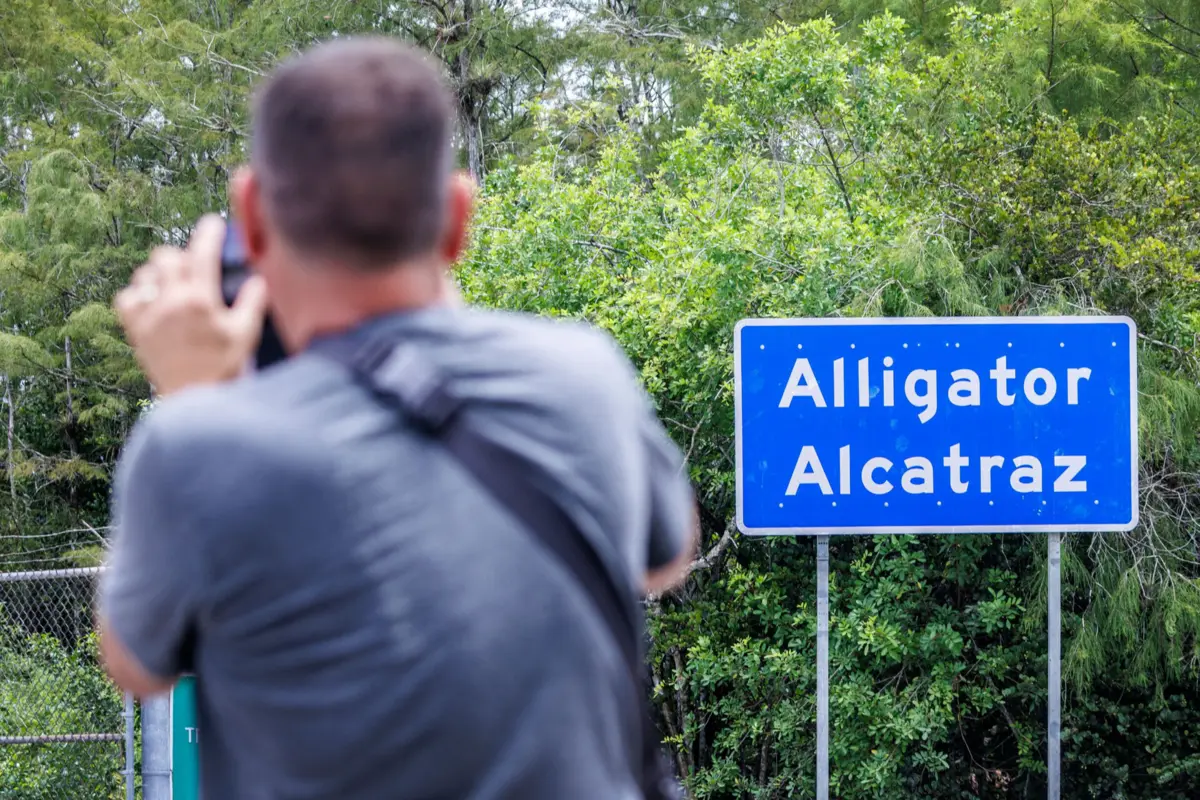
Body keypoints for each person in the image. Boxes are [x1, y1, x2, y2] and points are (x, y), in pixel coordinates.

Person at [96, 36, 698, 800]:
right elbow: (665, 558)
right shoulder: (589, 375)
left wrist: (190, 394)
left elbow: (136, 661)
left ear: (253, 211)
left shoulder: (198, 443)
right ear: (457, 216)